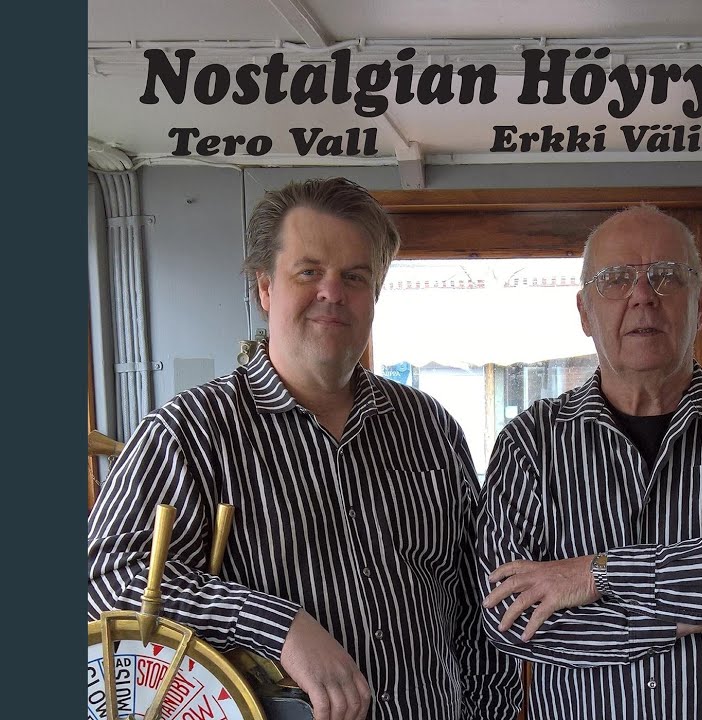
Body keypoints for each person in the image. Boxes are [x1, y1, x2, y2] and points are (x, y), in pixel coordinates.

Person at [89, 177, 519, 720]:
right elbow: (105, 579)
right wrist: (280, 627)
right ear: (265, 288)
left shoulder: (429, 427)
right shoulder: (189, 431)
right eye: (309, 271)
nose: (332, 292)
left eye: (354, 276)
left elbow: (477, 600)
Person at [477, 205, 702, 720]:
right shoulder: (529, 442)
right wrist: (700, 606)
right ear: (584, 312)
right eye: (615, 280)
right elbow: (512, 617)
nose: (643, 296)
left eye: (667, 276)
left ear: (701, 304)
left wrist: (596, 574)